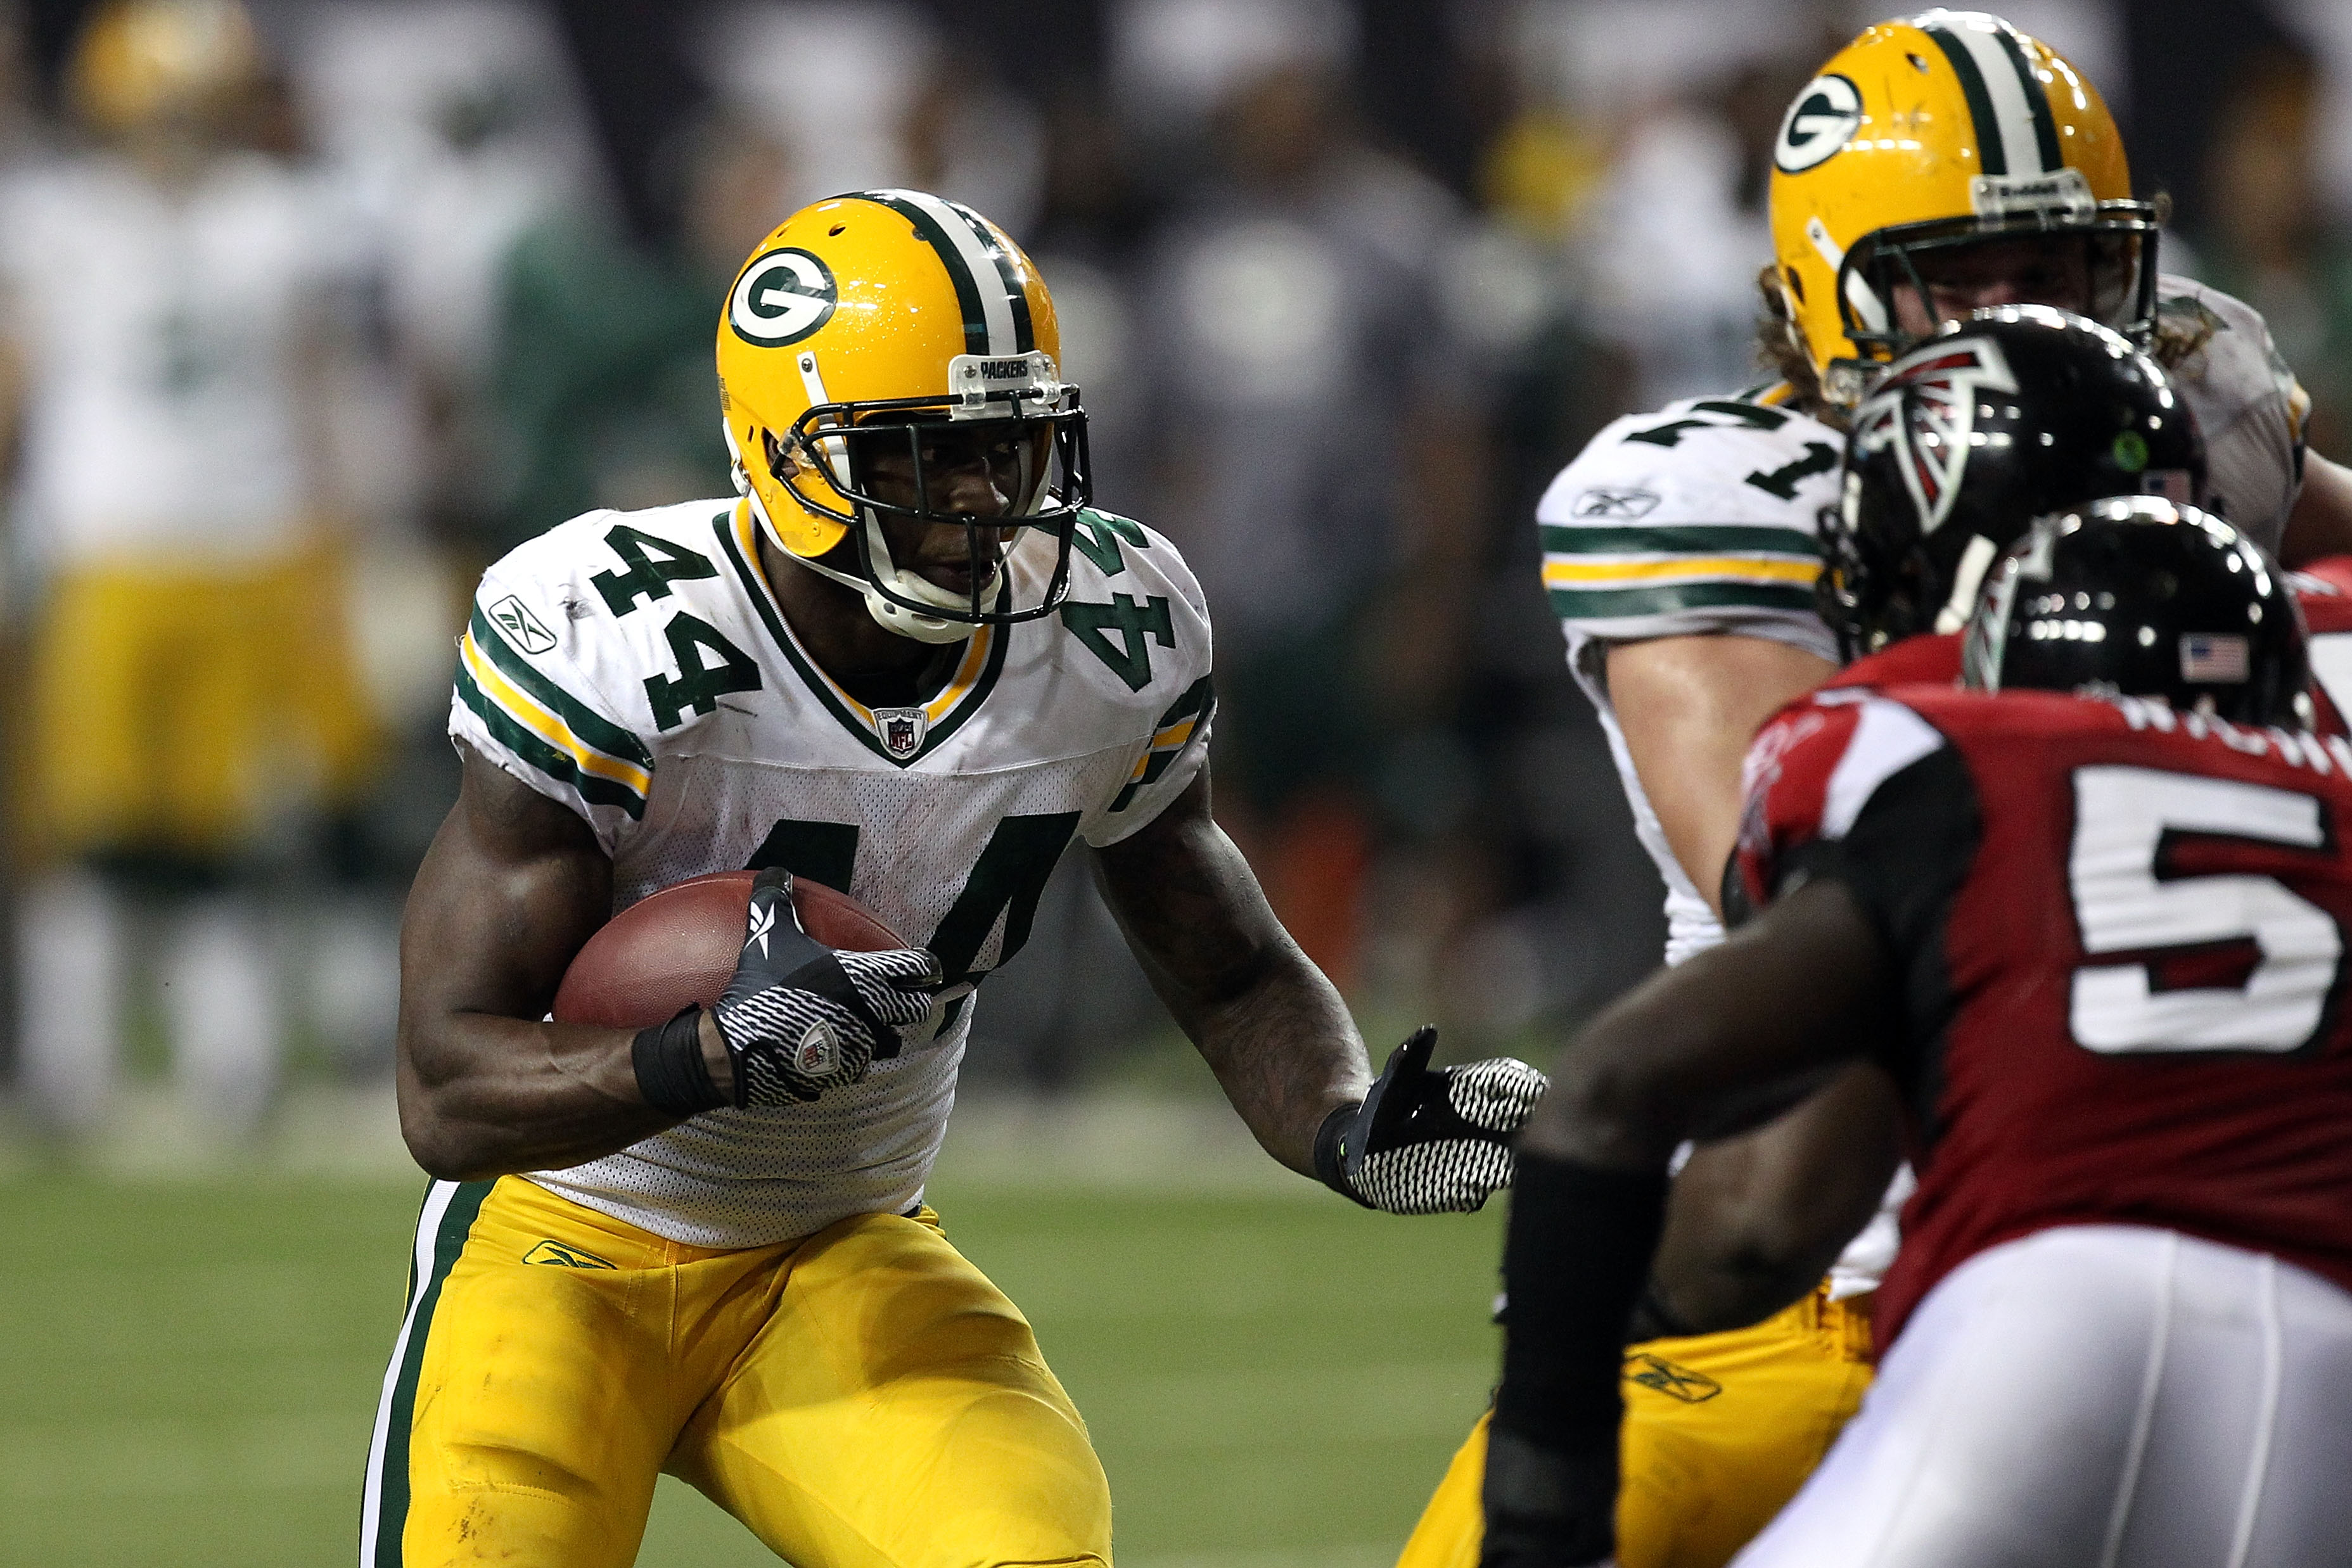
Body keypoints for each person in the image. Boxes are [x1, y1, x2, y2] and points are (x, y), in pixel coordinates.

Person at [363, 189, 1545, 1567]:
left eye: (1011, 446)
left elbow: (1220, 957)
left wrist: (1343, 1119)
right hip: (565, 1238)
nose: (988, 501)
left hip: (838, 1244)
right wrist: (703, 1053)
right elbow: (445, 1088)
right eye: (929, 455)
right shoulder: (617, 635)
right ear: (787, 449)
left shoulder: (1110, 633)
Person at [1398, 12, 2352, 1568]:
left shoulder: (2186, 412)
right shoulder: (1707, 498)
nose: (2021, 315)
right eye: (1959, 277)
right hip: (1825, 1283)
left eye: (2059, 264)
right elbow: (1793, 907)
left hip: (2049, 1235)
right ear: (1816, 296)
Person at [1480, 497, 2352, 1566]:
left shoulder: (1961, 760)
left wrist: (1543, 1500)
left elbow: (1621, 1092)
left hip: (2042, 1318)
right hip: (2325, 1372)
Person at [1, 0, 374, 1138]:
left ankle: (232, 1054)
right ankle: (76, 1058)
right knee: (89, 824)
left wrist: (332, 545)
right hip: (108, 544)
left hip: (249, 546)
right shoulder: (54, 216)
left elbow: (317, 398)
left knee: (224, 827)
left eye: (196, 108)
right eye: (159, 108)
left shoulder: (282, 218)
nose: (176, 132)